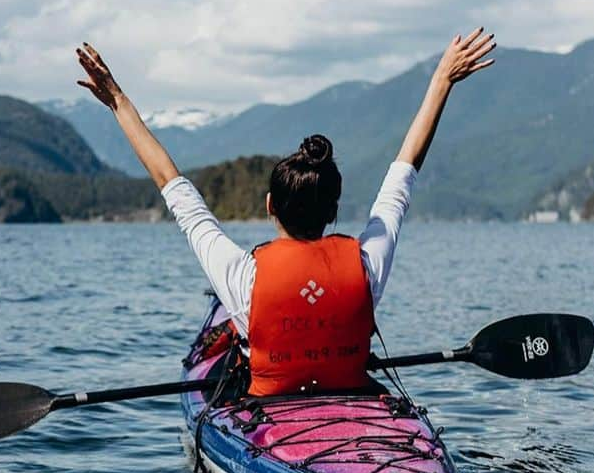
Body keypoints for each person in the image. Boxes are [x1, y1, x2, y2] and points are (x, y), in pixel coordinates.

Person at [75, 29, 495, 396]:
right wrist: (442, 81)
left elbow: (172, 184)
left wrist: (116, 100)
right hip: (352, 401)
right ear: (333, 210)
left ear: (270, 205)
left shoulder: (242, 277)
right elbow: (403, 173)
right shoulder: (366, 265)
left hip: (269, 410)